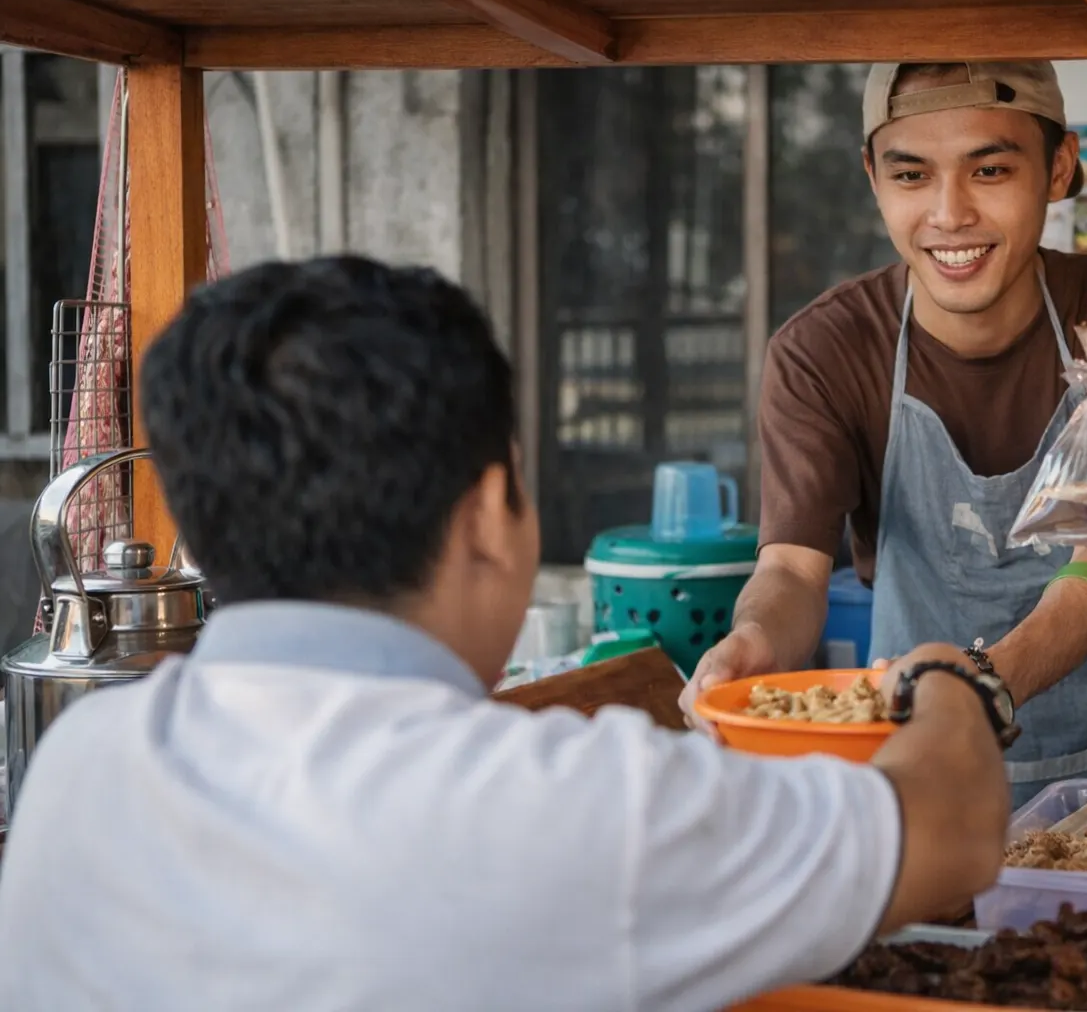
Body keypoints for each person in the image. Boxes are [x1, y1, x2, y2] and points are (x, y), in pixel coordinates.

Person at [0, 257, 1013, 1011]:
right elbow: (957, 826)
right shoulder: (571, 803)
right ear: (490, 513)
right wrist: (944, 679)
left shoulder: (79, 768)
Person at [681, 61, 1087, 807]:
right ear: (873, 177)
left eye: (989, 169)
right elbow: (794, 573)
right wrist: (750, 647)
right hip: (925, 781)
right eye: (912, 176)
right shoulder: (824, 351)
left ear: (1058, 169)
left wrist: (985, 684)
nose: (950, 214)